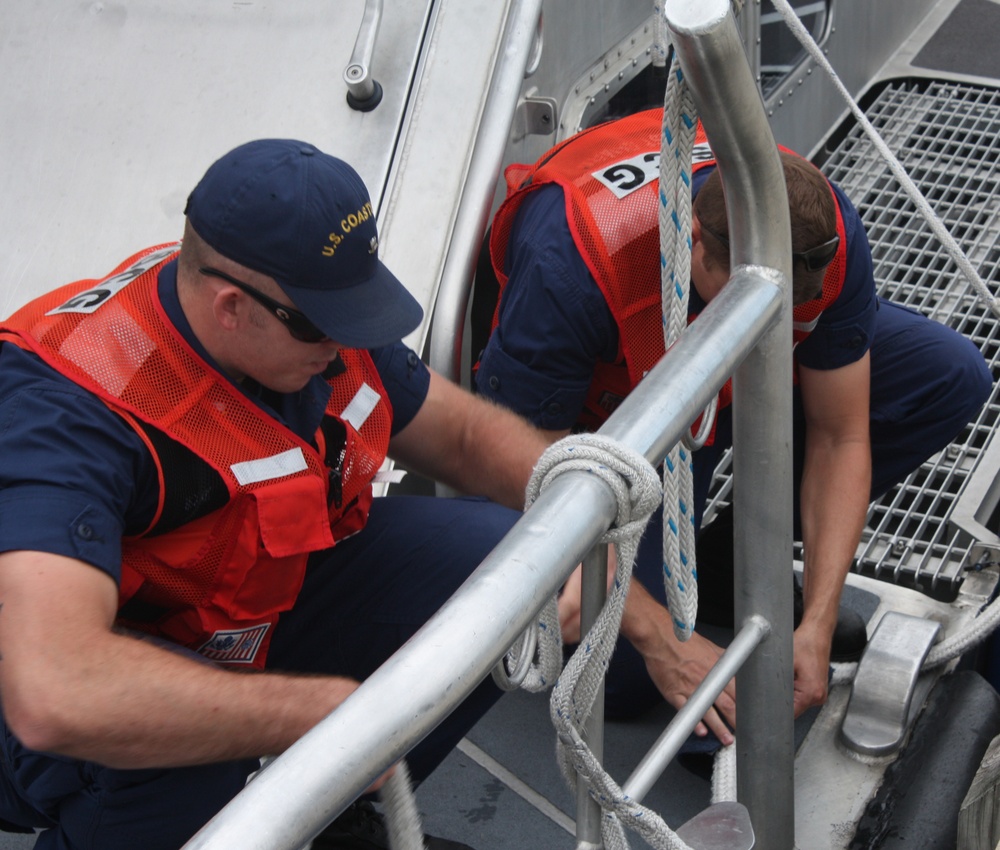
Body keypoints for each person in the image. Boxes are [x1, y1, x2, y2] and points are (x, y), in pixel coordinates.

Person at [0, 139, 555, 850]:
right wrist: (319, 713)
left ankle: (317, 821)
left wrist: (607, 573)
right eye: (325, 324)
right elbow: (56, 691)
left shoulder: (307, 317)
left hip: (212, 620)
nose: (345, 344)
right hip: (32, 673)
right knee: (182, 746)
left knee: (497, 566)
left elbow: (467, 440)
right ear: (230, 306)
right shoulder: (68, 413)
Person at [475, 107, 993, 741]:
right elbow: (518, 456)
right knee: (626, 678)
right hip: (607, 428)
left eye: (793, 314)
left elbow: (841, 434)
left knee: (948, 374)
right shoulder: (573, 266)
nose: (778, 334)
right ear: (694, 239)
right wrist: (660, 639)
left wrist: (819, 622)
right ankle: (675, 570)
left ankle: (725, 558)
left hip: (701, 396)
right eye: (753, 310)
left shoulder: (822, 225)